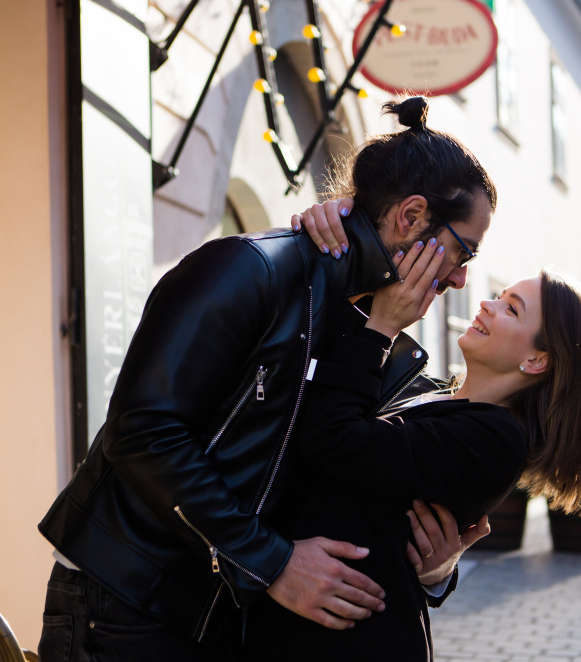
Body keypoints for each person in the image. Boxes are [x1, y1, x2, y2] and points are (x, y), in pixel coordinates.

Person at [37, 97, 498, 662]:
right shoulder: (249, 268)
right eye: (462, 251)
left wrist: (436, 567)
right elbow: (142, 431)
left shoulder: (375, 331)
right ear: (411, 216)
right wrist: (271, 561)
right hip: (127, 603)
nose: (460, 278)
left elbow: (344, 479)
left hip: (226, 613)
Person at [240, 249, 581, 660]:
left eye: (511, 309)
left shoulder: (495, 440)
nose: (487, 304)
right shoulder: (432, 394)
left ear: (536, 359)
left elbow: (332, 438)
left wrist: (382, 327)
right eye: (500, 296)